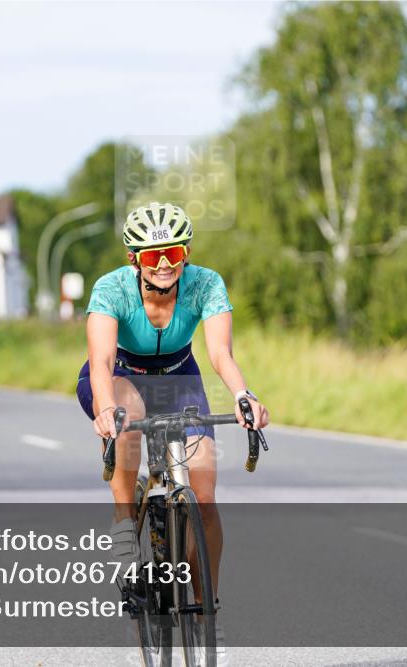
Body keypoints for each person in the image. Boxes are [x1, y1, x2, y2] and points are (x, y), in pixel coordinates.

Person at [76, 202, 269, 659]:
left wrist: (244, 396)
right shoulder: (111, 289)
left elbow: (221, 354)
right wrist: (105, 410)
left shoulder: (206, 283)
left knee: (203, 497)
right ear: (133, 260)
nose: (164, 264)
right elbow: (101, 361)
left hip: (181, 379)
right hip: (120, 377)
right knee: (127, 414)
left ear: (186, 253)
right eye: (150, 256)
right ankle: (125, 521)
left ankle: (205, 612)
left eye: (174, 253)